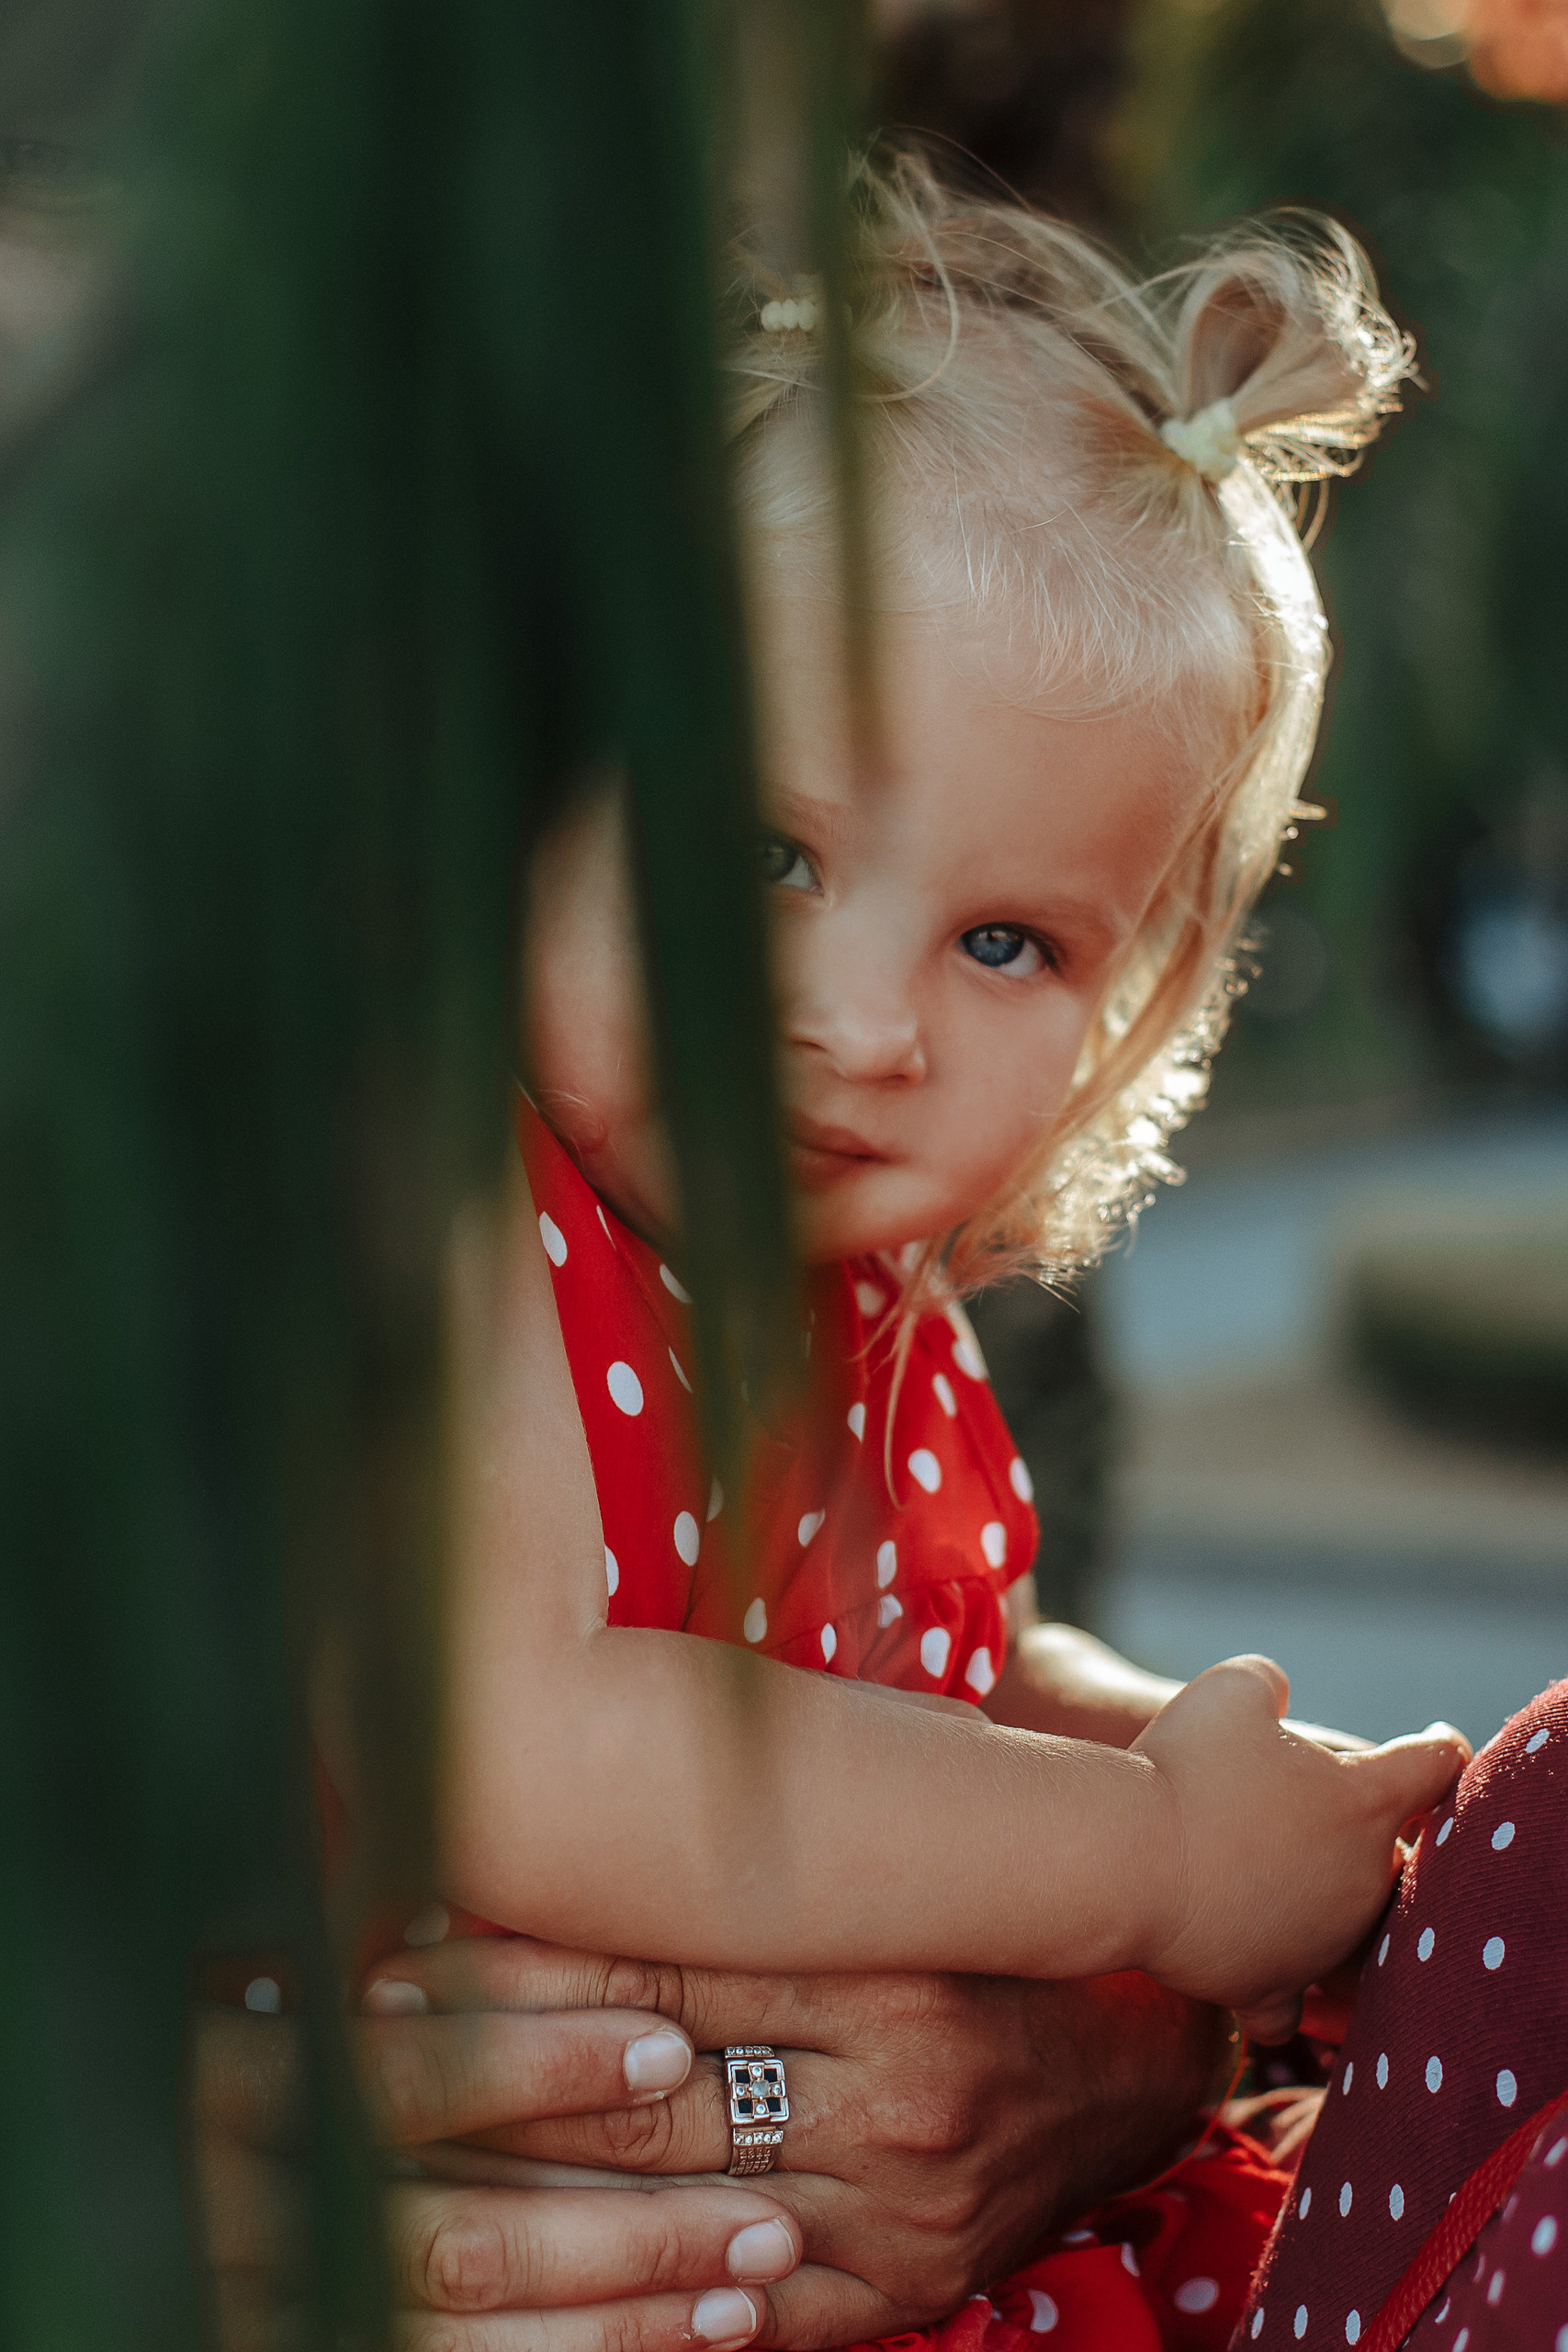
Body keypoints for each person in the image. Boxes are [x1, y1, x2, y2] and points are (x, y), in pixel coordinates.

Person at [314, 157, 1471, 2350]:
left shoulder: (862, 1305)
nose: (860, 1022)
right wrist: (1149, 1868)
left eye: (1011, 938)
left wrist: (1195, 1777)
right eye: (760, 846)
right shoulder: (447, 1196)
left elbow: (928, 1691)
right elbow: (529, 1745)